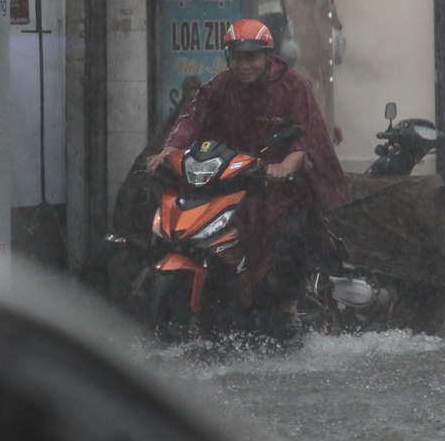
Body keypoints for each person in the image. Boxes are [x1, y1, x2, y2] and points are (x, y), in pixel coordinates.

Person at [146, 19, 351, 334]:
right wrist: (168, 150)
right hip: (230, 178)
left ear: (268, 55)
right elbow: (192, 119)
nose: (245, 65)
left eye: (252, 57)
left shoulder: (293, 85)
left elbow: (303, 141)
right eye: (238, 58)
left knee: (288, 233)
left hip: (282, 185)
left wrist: (283, 167)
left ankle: (287, 306)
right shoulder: (219, 86)